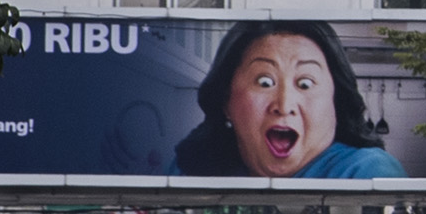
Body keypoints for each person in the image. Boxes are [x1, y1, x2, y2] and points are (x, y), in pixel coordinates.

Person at [172, 21, 407, 179]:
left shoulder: (368, 172)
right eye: (264, 82)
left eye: (305, 84)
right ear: (226, 100)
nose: (284, 106)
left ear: (336, 101)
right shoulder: (189, 168)